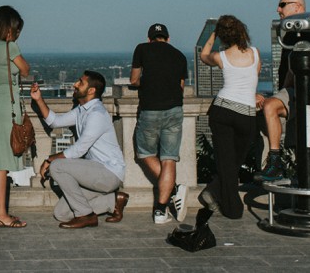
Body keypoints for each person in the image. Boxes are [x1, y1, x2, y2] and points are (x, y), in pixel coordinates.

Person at [29, 71, 127, 228]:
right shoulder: (82, 110)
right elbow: (55, 121)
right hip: (94, 174)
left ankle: (86, 216)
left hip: (108, 174)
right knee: (61, 214)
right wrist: (39, 99)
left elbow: (79, 149)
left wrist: (50, 159)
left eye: (80, 82)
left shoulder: (97, 114)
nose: (75, 84)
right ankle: (113, 201)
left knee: (57, 166)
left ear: (91, 90)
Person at [197, 15, 263, 220]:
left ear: (223, 36)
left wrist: (213, 35)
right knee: (236, 160)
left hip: (222, 110)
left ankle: (227, 204)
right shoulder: (255, 53)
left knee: (226, 162)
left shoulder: (221, 57)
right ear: (242, 32)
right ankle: (230, 206)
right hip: (246, 113)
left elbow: (203, 55)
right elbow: (255, 77)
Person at [256, 0, 310, 181]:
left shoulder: (305, 33)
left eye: (282, 5)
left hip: (303, 91)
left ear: (298, 7)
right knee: (296, 145)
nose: (278, 9)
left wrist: (281, 91)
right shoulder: (292, 35)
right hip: (298, 94)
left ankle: (275, 160)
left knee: (270, 106)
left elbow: (297, 68)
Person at [128, 22, 188, 223]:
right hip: (174, 109)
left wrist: (146, 82)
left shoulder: (142, 48)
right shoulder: (179, 55)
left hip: (150, 109)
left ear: (149, 38)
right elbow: (181, 86)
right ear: (168, 38)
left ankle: (175, 189)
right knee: (169, 158)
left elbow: (134, 80)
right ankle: (161, 211)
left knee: (145, 153)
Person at [0, 5, 32, 228]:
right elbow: (25, 70)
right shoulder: (9, 47)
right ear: (8, 28)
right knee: (1, 163)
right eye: (16, 29)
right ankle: (2, 214)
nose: (18, 33)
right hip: (6, 106)